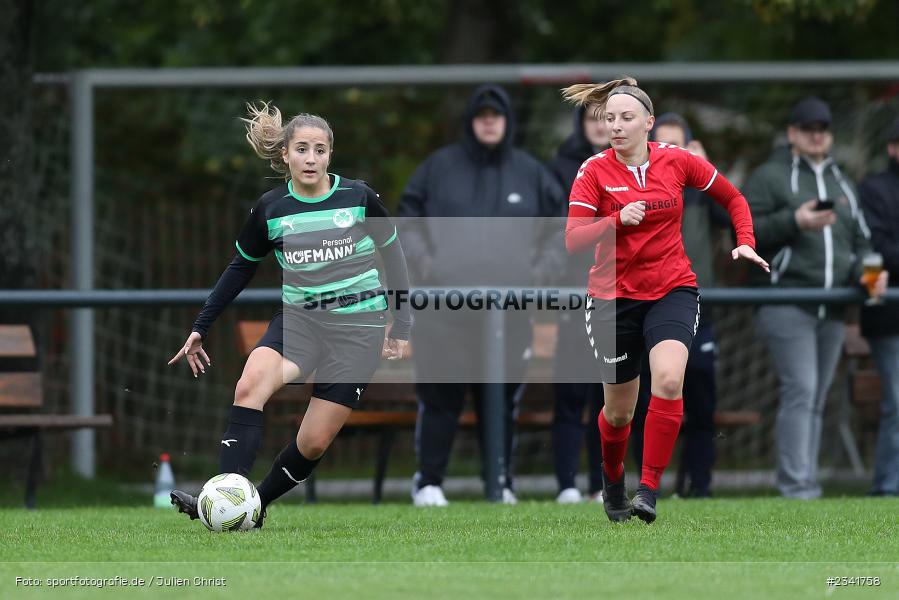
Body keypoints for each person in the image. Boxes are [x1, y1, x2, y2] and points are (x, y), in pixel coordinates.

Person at [167, 103, 412, 526]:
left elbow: (394, 254)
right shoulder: (271, 208)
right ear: (286, 155)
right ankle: (226, 501)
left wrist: (401, 321)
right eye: (302, 149)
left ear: (330, 154)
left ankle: (254, 506)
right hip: (301, 321)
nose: (311, 158)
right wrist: (200, 326)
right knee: (249, 386)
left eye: (319, 150)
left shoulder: (358, 197)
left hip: (358, 330)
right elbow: (240, 267)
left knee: (314, 442)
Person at [562, 77, 768, 523]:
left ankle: (649, 490)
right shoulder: (592, 171)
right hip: (612, 298)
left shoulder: (678, 162)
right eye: (609, 119)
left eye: (625, 118)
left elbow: (732, 197)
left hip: (672, 288)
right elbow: (573, 240)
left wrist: (745, 240)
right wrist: (615, 221)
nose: (615, 126)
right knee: (619, 412)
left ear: (648, 123)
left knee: (670, 380)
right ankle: (612, 479)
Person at [399, 84, 565, 506]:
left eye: (497, 114)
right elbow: (408, 218)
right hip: (444, 310)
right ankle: (429, 483)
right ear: (471, 121)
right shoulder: (438, 168)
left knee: (501, 400)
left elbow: (561, 230)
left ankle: (500, 482)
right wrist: (426, 265)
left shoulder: (530, 173)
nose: (489, 121)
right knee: (440, 398)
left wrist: (540, 272)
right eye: (482, 115)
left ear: (507, 121)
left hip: (509, 313)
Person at [744, 97, 884, 499]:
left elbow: (862, 241)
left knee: (816, 397)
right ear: (792, 133)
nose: (817, 135)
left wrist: (867, 274)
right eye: (808, 128)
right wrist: (795, 221)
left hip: (834, 306)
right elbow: (746, 232)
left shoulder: (843, 181)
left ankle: (805, 481)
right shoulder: (769, 177)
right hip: (787, 299)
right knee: (801, 390)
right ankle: (796, 485)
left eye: (823, 128)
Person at [630, 113, 732, 498]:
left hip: (696, 305)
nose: (670, 151)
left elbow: (733, 215)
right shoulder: (641, 187)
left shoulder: (702, 190)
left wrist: (706, 171)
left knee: (701, 402)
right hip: (651, 304)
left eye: (679, 144)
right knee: (647, 400)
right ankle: (646, 484)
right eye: (663, 142)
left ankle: (698, 487)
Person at [547, 105, 608, 504]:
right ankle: (568, 485)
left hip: (620, 296)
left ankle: (602, 483)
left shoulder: (634, 167)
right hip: (574, 296)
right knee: (571, 394)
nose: (603, 126)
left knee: (610, 399)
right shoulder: (558, 170)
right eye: (594, 119)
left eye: (610, 118)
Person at [859, 116, 899, 496]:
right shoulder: (873, 188)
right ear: (892, 147)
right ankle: (888, 487)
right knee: (898, 401)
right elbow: (878, 250)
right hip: (889, 316)